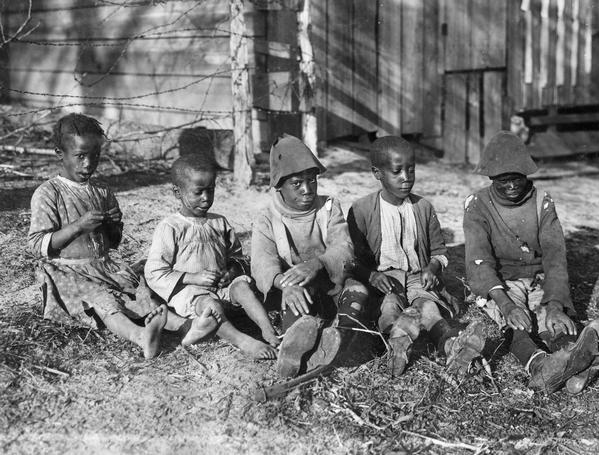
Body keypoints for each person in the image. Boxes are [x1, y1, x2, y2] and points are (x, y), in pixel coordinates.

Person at [28, 113, 212, 359]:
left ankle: (186, 327)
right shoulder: (49, 193)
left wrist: (114, 226)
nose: (88, 164)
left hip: (104, 266)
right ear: (59, 153)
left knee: (140, 290)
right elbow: (37, 245)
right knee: (102, 299)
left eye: (95, 156)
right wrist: (77, 227)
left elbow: (113, 243)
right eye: (80, 156)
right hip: (69, 271)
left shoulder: (102, 192)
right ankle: (140, 335)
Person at [464, 130, 599, 394]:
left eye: (517, 178)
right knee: (516, 324)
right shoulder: (477, 204)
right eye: (503, 180)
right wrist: (505, 305)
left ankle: (574, 361)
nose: (512, 185)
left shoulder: (541, 202)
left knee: (556, 322)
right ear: (491, 177)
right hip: (501, 282)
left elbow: (555, 257)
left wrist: (555, 303)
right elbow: (478, 261)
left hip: (537, 278)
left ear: (527, 173)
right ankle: (540, 367)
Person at [347, 136, 485, 378]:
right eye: (397, 171)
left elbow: (440, 252)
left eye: (411, 169)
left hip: (417, 278)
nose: (406, 177)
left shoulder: (423, 208)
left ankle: (450, 345)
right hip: (385, 280)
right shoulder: (361, 210)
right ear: (377, 173)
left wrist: (432, 267)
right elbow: (352, 260)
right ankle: (397, 344)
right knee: (389, 306)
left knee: (429, 307)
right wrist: (372, 276)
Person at [251, 134, 369, 378]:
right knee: (297, 309)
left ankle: (339, 338)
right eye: (296, 184)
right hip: (294, 288)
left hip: (329, 282)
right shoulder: (266, 218)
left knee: (358, 291)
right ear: (279, 185)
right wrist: (284, 284)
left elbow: (343, 247)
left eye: (312, 180)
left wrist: (317, 263)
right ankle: (295, 349)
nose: (307, 189)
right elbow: (263, 262)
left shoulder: (328, 208)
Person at [145, 152, 278, 360]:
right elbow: (154, 271)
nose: (206, 198)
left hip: (222, 288)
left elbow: (237, 256)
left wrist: (231, 270)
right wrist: (193, 278)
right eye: (198, 192)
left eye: (211, 190)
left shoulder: (219, 222)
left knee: (242, 287)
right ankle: (244, 341)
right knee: (211, 306)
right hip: (192, 294)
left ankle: (268, 330)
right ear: (177, 192)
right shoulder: (171, 227)